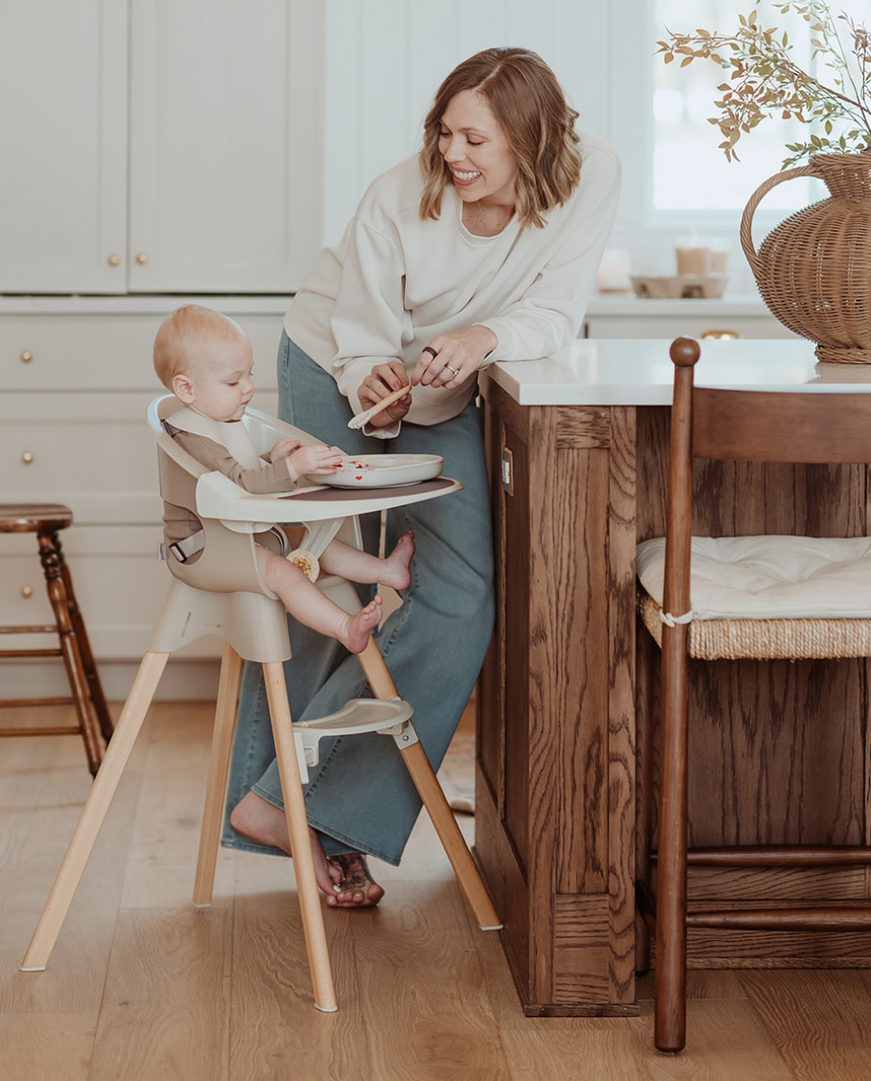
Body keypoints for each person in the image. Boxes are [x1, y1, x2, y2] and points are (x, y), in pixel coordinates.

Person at [223, 47, 622, 908]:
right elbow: (361, 333)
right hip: (333, 359)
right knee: (314, 575)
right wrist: (376, 387)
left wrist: (483, 340)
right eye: (445, 133)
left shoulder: (589, 182)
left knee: (463, 589)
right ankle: (300, 817)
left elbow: (553, 312)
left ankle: (313, 809)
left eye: (474, 138)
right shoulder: (397, 198)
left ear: (531, 139)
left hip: (452, 379)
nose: (454, 155)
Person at [152, 304, 416, 655]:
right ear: (186, 388)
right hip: (206, 549)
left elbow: (231, 472)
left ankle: (385, 571)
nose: (247, 387)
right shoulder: (192, 435)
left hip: (240, 532)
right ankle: (343, 627)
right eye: (233, 381)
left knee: (314, 542)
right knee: (284, 574)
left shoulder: (218, 419)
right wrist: (292, 467)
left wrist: (269, 460)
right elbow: (240, 484)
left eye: (249, 374)